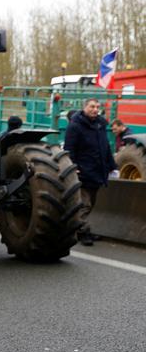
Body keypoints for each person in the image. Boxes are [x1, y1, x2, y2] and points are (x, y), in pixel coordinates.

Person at [65, 98, 118, 246]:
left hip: (97, 171)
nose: (95, 109)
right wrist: (73, 166)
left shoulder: (100, 125)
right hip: (83, 171)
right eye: (92, 107)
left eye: (97, 107)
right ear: (84, 107)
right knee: (85, 204)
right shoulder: (75, 126)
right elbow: (69, 148)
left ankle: (81, 228)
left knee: (91, 203)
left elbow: (105, 147)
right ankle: (82, 232)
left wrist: (112, 166)